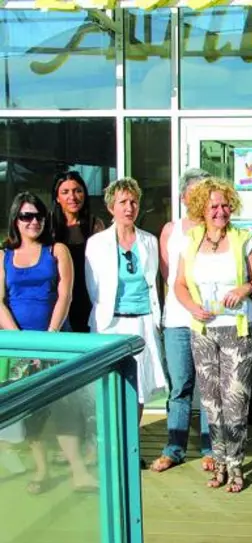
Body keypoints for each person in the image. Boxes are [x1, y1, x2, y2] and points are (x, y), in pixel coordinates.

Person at [0, 192, 97, 493]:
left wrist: (51, 336)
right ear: (15, 220)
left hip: (55, 343)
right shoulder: (4, 255)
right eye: (26, 216)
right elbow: (0, 301)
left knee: (64, 407)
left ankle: (79, 472)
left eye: (38, 216)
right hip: (19, 346)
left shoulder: (57, 251)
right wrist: (20, 339)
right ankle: (41, 471)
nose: (33, 222)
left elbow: (65, 295)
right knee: (31, 412)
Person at [174, 177, 252, 493]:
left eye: (225, 205)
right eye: (214, 205)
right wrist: (192, 308)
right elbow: (179, 285)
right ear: (202, 207)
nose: (220, 211)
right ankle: (220, 463)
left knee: (235, 400)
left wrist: (244, 288)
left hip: (237, 329)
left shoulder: (244, 239)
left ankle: (237, 466)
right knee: (211, 403)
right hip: (203, 330)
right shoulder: (191, 241)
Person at [85, 178, 166, 440]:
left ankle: (130, 443)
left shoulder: (149, 241)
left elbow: (153, 282)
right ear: (111, 208)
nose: (129, 207)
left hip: (142, 320)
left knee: (139, 386)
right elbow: (93, 287)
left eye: (133, 202)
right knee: (110, 386)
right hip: (111, 323)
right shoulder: (97, 243)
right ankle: (109, 443)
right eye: (123, 202)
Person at [151, 168, 214, 474]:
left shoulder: (218, 227)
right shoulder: (171, 230)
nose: (202, 197)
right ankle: (174, 448)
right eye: (196, 191)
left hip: (210, 319)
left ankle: (210, 448)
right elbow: (167, 276)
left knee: (209, 387)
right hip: (177, 318)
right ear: (183, 196)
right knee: (180, 387)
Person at [49, 171, 105, 333]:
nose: (72, 197)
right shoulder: (48, 225)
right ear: (57, 198)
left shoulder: (95, 225)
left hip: (86, 296)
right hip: (57, 297)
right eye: (65, 192)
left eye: (77, 191)